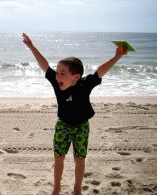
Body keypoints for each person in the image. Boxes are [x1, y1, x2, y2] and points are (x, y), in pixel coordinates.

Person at [22, 33, 127, 195]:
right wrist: (31, 47)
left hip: (81, 127)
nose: (58, 76)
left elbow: (100, 71)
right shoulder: (57, 82)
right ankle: (56, 187)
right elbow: (44, 66)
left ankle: (77, 188)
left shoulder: (85, 84)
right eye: (58, 72)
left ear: (76, 77)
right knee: (59, 158)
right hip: (62, 125)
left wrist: (117, 56)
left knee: (79, 159)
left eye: (63, 73)